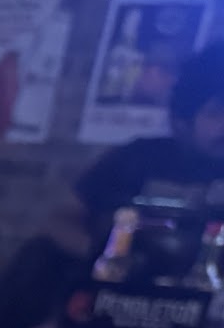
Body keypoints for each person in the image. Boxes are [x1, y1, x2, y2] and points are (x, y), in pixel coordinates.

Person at [72, 40, 224, 250]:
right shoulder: (137, 157)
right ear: (181, 121)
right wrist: (103, 258)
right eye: (216, 113)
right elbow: (64, 218)